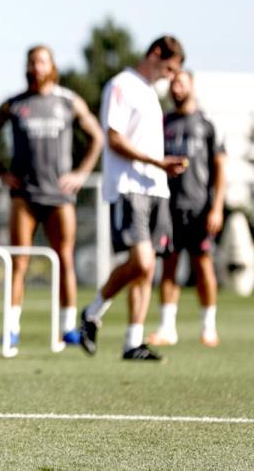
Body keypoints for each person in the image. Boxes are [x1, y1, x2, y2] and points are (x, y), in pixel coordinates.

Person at [0, 46, 102, 348]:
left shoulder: (68, 101)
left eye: (42, 61)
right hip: (24, 195)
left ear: (52, 65)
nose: (37, 66)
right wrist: (2, 172)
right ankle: (11, 328)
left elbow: (97, 137)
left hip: (59, 196)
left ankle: (68, 327)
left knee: (65, 260)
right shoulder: (15, 104)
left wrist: (81, 174)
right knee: (18, 262)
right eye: (33, 61)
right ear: (27, 66)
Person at [79, 36, 188, 361]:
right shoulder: (121, 85)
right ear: (155, 54)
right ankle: (92, 312)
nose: (171, 76)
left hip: (156, 188)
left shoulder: (151, 93)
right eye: (169, 68)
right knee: (140, 261)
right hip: (129, 186)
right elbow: (113, 138)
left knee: (147, 268)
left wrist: (162, 166)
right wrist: (157, 162)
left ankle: (133, 342)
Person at [148, 70, 225, 348]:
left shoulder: (206, 124)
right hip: (168, 207)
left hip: (199, 209)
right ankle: (168, 328)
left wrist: (216, 207)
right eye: (172, 84)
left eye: (181, 83)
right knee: (168, 265)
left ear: (191, 85)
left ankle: (208, 327)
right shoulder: (163, 122)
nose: (176, 88)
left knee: (202, 264)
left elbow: (220, 169)